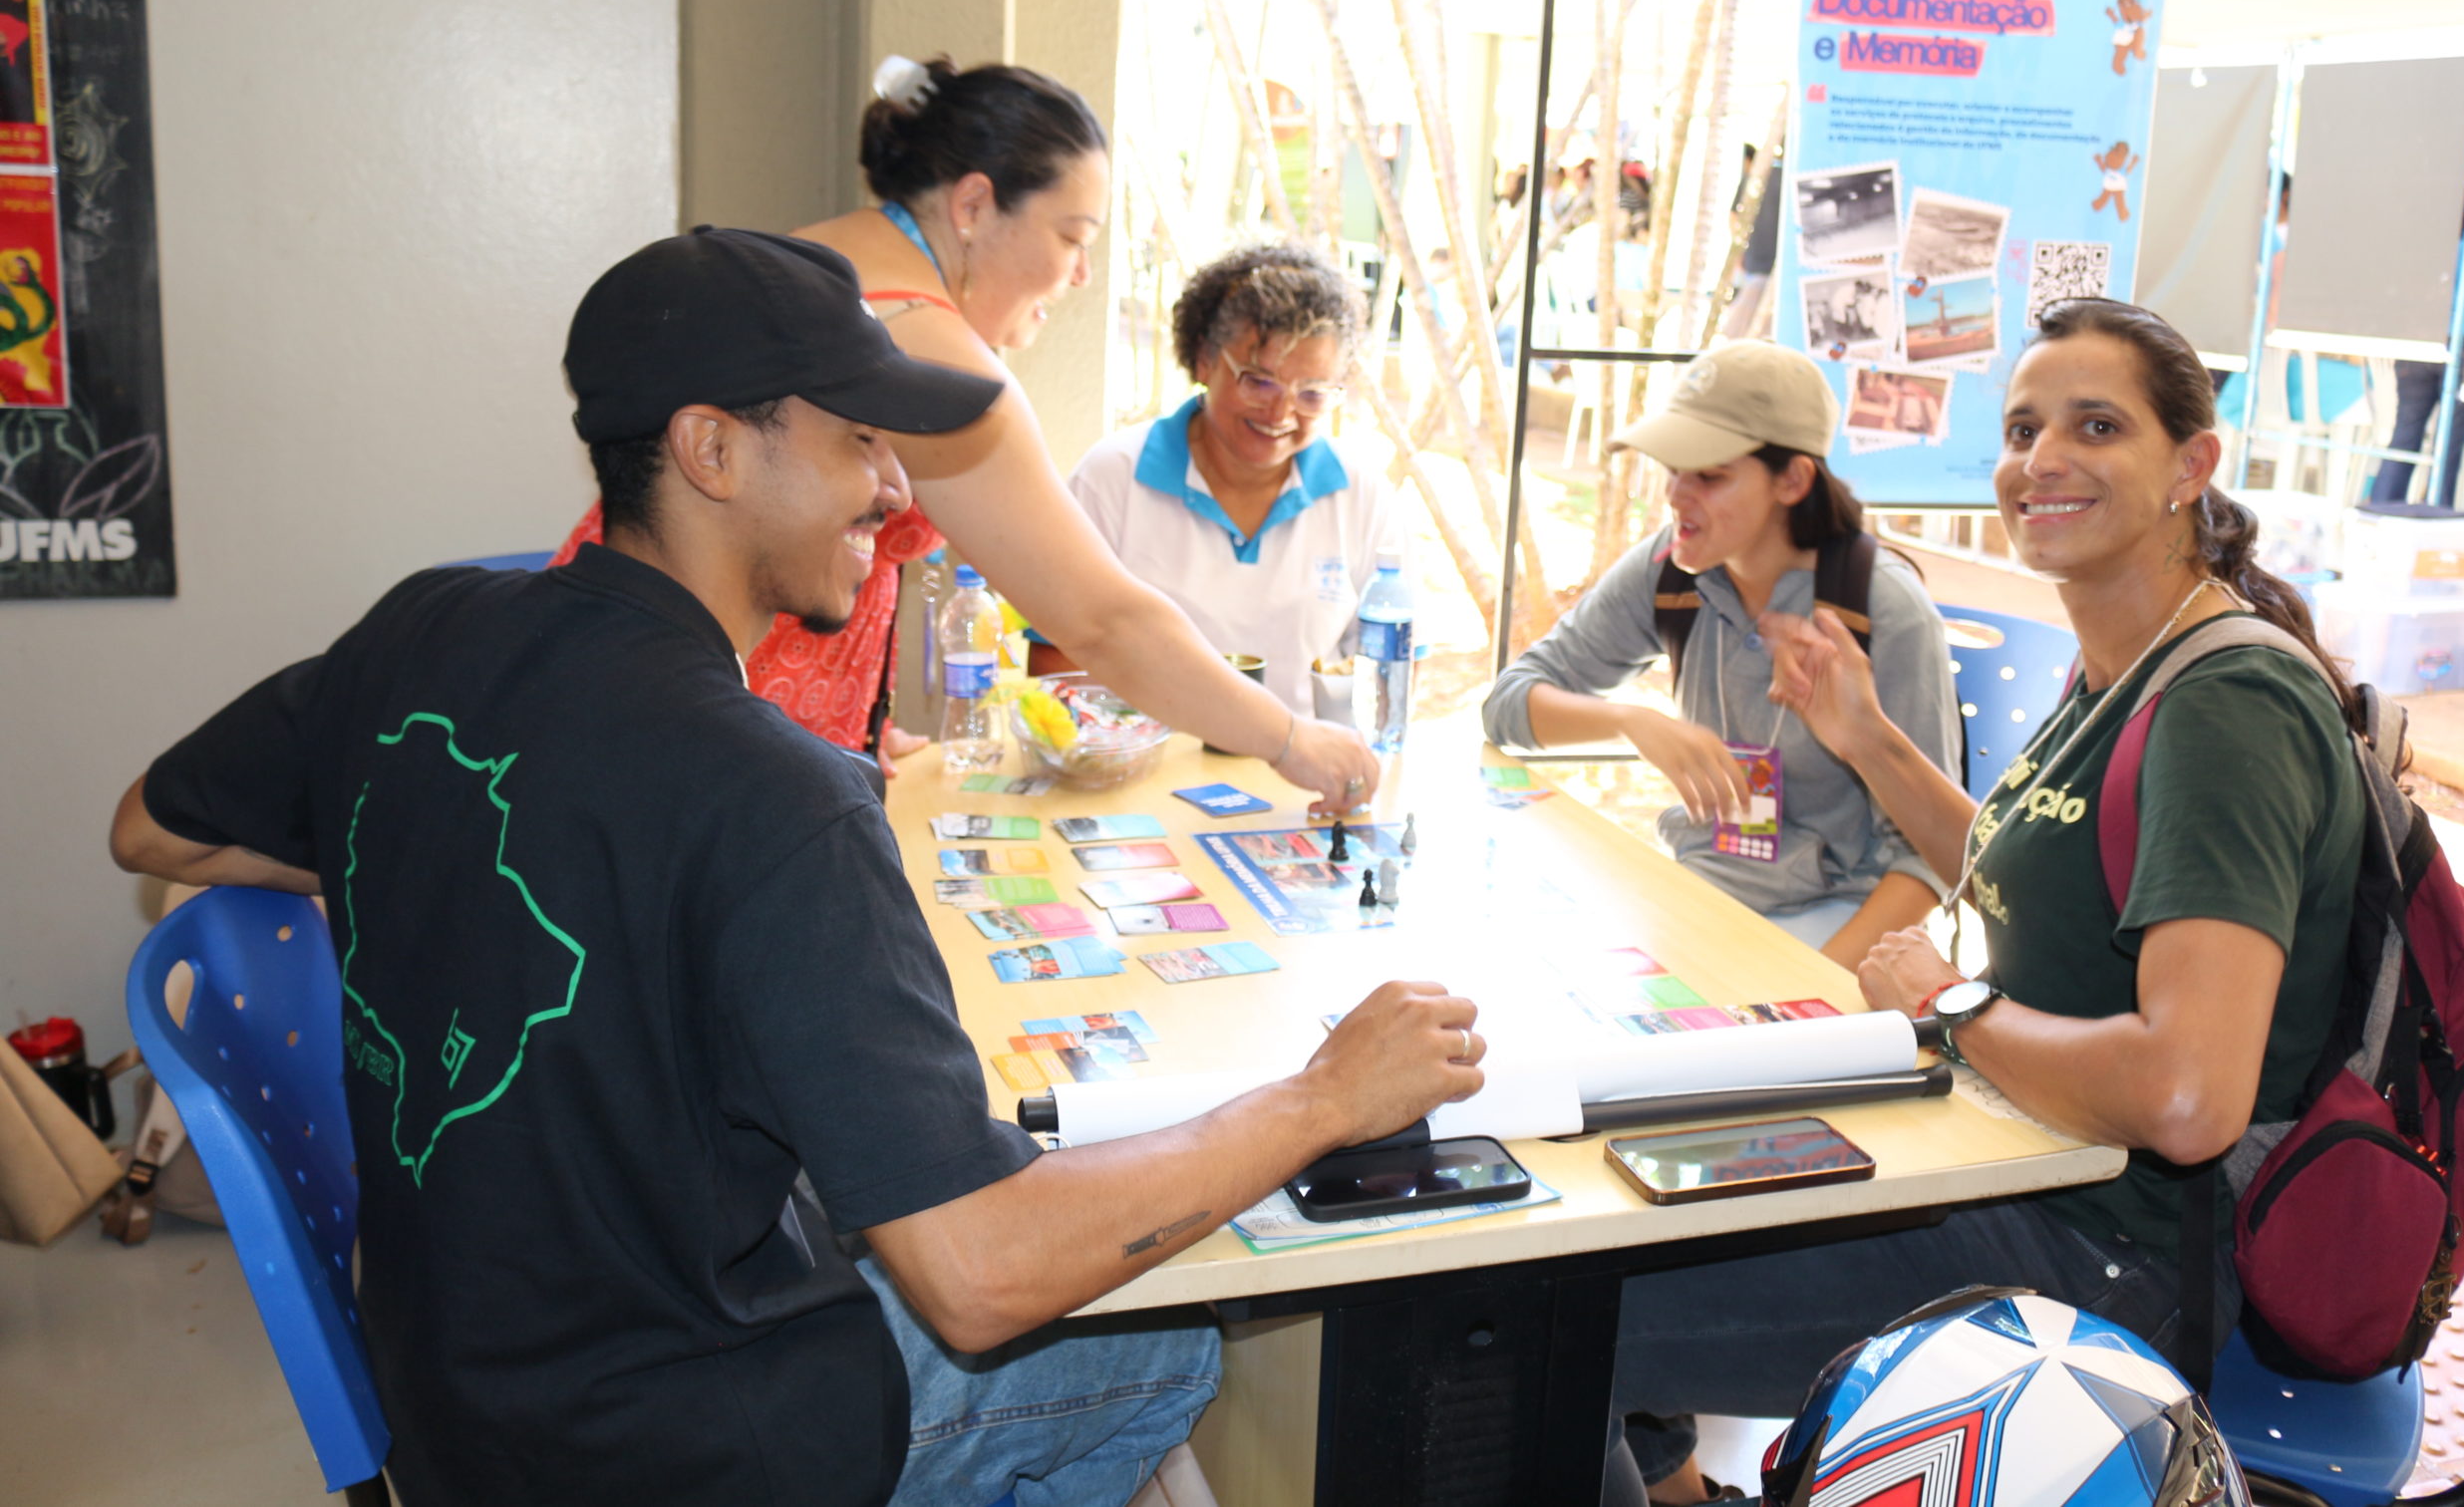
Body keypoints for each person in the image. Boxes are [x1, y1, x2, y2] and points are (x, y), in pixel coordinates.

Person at [108, 229, 1486, 1507]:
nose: (894, 492)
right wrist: (1321, 1096)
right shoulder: (777, 796)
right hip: (665, 1449)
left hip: (454, 1392)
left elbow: (152, 828)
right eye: (857, 443)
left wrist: (438, 850)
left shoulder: (423, 623)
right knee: (1167, 1343)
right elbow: (981, 1275)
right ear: (711, 448)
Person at [1597, 298, 2359, 1505]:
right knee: (1615, 1200)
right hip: (2018, 1157)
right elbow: (2025, 865)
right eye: (2019, 430)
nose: (2040, 459)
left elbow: (2185, 1097)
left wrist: (1948, 1001)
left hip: (2111, 1254)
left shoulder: (2227, 707)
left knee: (1552, 1308)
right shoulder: (2123, 666)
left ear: (2190, 467)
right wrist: (1868, 737)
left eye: (2095, 426)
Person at [550, 55, 1379, 810]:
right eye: (1072, 237)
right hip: (693, 722)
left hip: (615, 648)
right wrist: (1288, 737)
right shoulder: (927, 343)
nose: (1082, 275)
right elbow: (1102, 620)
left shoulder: (808, 265)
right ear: (974, 205)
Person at [1480, 342, 1960, 961]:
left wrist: (1814, 995)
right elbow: (1507, 705)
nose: (1676, 495)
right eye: (1673, 469)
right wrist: (1631, 721)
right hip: (1702, 894)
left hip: (1844, 920)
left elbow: (1926, 857)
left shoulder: (1881, 607)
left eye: (1709, 475)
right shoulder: (1669, 568)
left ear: (1793, 480)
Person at [1038, 242, 1400, 721]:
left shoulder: (1361, 495)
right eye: (1259, 381)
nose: (1281, 413)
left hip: (1305, 760)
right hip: (1149, 758)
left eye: (1311, 394)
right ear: (1205, 360)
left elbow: (1393, 667)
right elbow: (1055, 659)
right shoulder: (1112, 479)